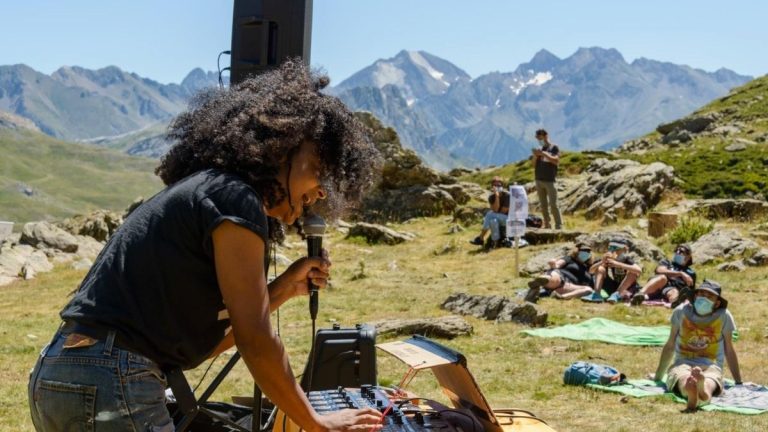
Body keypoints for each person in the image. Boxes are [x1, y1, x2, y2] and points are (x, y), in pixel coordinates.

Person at [28, 60, 384, 432]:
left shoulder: (208, 192)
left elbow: (194, 351)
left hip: (60, 373)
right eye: (319, 166)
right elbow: (256, 341)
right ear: (285, 147)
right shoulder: (235, 199)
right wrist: (316, 423)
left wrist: (280, 290)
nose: (321, 190)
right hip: (110, 377)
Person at [652, 280, 742, 412]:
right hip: (682, 362)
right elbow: (670, 344)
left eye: (709, 296)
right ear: (695, 296)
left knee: (709, 377)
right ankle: (700, 392)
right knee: (683, 376)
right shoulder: (681, 311)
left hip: (711, 364)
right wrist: (658, 377)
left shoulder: (724, 315)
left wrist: (738, 381)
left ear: (717, 303)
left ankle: (696, 391)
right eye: (701, 294)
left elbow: (729, 348)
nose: (704, 298)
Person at [524, 242, 595, 302]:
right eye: (583, 251)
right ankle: (541, 281)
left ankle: (561, 297)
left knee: (588, 290)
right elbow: (557, 265)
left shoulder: (589, 267)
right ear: (577, 251)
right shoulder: (569, 259)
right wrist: (553, 263)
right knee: (556, 278)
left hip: (569, 286)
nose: (586, 253)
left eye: (588, 251)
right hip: (561, 277)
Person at [631, 244, 695, 307]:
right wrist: (680, 273)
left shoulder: (691, 273)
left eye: (681, 251)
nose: (677, 252)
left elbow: (691, 289)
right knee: (663, 277)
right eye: (676, 250)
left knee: (674, 292)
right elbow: (659, 270)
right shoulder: (667, 262)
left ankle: (675, 303)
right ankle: (639, 294)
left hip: (670, 289)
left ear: (688, 257)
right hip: (658, 285)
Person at [582, 238, 642, 304]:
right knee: (600, 268)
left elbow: (638, 270)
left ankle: (617, 294)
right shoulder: (608, 259)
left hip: (625, 288)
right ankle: (596, 294)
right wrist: (602, 262)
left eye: (617, 249)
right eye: (611, 248)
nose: (614, 251)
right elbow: (591, 271)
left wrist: (619, 264)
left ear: (623, 250)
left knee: (633, 272)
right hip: (611, 286)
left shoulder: (626, 259)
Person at [532, 129, 562, 230]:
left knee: (553, 204)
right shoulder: (540, 148)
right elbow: (533, 164)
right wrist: (536, 156)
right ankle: (547, 224)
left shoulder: (554, 147)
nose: (538, 140)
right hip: (539, 179)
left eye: (539, 137)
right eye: (537, 138)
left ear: (545, 136)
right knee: (543, 205)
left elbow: (556, 161)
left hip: (550, 180)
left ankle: (558, 225)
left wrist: (544, 154)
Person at [469, 176, 511, 249]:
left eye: (499, 185)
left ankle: (481, 237)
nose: (497, 187)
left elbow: (503, 211)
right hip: (498, 218)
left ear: (502, 186)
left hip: (508, 219)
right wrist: (497, 197)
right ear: (492, 187)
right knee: (492, 221)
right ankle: (496, 243)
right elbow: (495, 210)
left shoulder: (507, 195)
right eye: (495, 185)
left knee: (489, 214)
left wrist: (495, 211)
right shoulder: (491, 197)